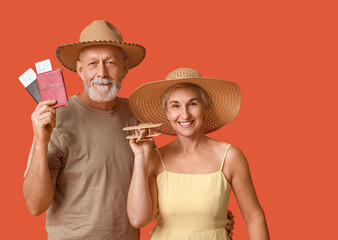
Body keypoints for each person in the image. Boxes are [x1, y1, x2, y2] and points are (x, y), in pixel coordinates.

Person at [22, 20, 146, 240]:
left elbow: (154, 182)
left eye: (110, 62)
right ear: (80, 70)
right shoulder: (56, 118)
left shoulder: (137, 114)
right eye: (92, 64)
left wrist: (211, 217)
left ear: (124, 69)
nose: (102, 73)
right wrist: (41, 142)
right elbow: (35, 205)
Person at [127, 68, 270, 239]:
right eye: (175, 106)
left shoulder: (230, 157)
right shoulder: (155, 159)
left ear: (205, 107)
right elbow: (138, 219)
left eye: (193, 104)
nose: (185, 114)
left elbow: (254, 217)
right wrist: (140, 157)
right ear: (167, 113)